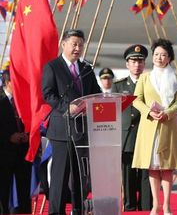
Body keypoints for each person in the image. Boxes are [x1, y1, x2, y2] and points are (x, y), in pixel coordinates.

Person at [42, 29, 101, 215]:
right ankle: (56, 212)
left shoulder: (86, 69)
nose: (78, 48)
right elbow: (48, 94)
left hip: (82, 130)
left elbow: (96, 93)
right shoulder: (53, 66)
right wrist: (66, 107)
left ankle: (78, 209)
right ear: (64, 44)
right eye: (74, 44)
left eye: (81, 44)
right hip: (62, 130)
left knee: (80, 176)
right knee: (60, 176)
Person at [132, 38, 177, 215]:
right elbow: (136, 100)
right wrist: (149, 111)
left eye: (163, 55)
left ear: (169, 58)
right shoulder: (145, 78)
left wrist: (168, 112)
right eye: (156, 54)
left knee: (167, 167)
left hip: (168, 125)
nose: (159, 58)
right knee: (152, 167)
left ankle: (167, 205)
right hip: (149, 126)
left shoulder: (176, 77)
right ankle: (155, 205)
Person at [112, 44, 152, 211]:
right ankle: (129, 207)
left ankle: (145, 207)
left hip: (145, 133)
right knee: (127, 173)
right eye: (133, 61)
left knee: (145, 174)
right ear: (127, 64)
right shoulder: (119, 86)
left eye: (140, 61)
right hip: (127, 134)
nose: (137, 65)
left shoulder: (150, 83)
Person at [0, 68, 32, 214]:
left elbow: (33, 121)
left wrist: (27, 134)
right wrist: (8, 137)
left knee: (24, 191)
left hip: (23, 152)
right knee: (3, 191)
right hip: (4, 153)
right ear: (7, 82)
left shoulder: (25, 100)